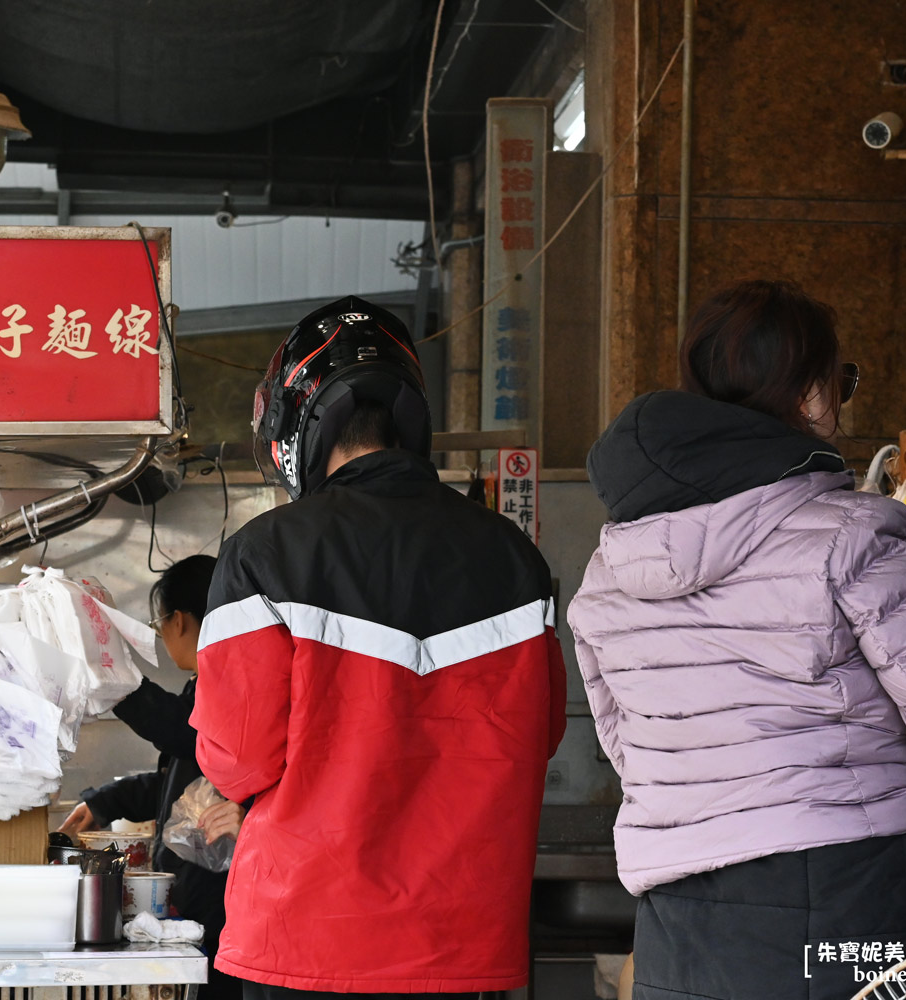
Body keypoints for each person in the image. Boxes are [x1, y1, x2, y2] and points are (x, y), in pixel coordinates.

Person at [568, 279, 906, 999]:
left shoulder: (608, 578)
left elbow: (639, 755)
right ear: (810, 396)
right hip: (855, 901)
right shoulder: (858, 537)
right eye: (841, 381)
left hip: (679, 934)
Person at [191, 294, 567, 998]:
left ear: (290, 424)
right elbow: (540, 734)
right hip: (460, 948)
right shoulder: (514, 558)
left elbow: (235, 760)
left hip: (305, 939)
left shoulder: (264, 554)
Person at [59, 554, 245, 1000]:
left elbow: (184, 733)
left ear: (178, 620)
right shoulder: (209, 682)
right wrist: (105, 802)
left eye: (158, 623)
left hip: (221, 891)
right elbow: (181, 782)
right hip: (198, 883)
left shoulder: (232, 683)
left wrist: (115, 678)